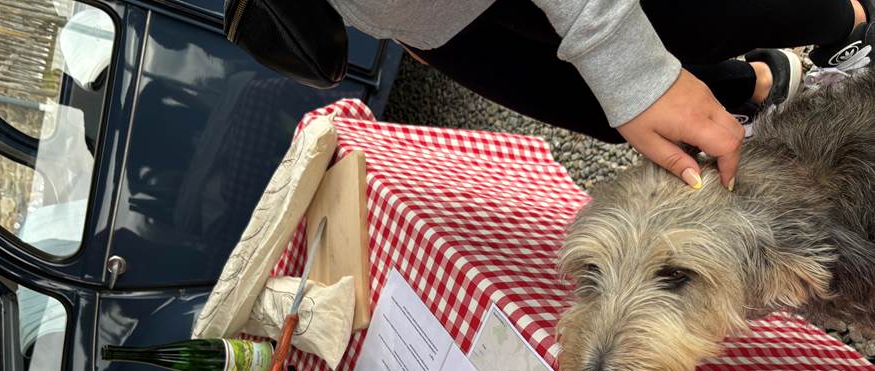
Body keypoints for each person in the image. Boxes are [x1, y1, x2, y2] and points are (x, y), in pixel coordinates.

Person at [327, 0, 875, 189]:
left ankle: (850, 23)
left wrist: (621, 55)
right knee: (606, 112)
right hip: (421, 21)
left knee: (689, 22)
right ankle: (758, 86)